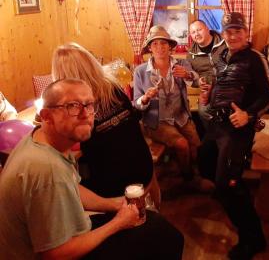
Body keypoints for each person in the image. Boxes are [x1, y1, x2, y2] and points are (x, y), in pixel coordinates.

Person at [0, 79, 184, 260]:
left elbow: (71, 186)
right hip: (54, 252)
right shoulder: (46, 169)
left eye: (89, 105)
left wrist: (114, 204)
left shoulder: (43, 139)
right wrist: (118, 223)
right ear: (47, 116)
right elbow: (56, 254)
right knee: (168, 240)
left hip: (69, 234)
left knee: (157, 228)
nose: (86, 114)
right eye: (72, 106)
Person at [200, 12, 269, 259]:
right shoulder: (222, 56)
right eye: (228, 32)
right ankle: (231, 188)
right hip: (216, 125)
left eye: (237, 31)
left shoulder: (256, 58)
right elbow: (223, 87)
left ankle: (253, 240)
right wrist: (208, 97)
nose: (233, 36)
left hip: (237, 129)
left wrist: (248, 114)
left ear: (246, 34)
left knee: (227, 187)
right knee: (204, 161)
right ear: (223, 34)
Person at [51, 43, 154, 200]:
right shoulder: (113, 86)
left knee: (67, 188)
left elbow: (68, 144)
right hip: (144, 165)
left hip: (116, 183)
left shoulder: (76, 104)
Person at [134, 25, 212, 192]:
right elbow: (136, 103)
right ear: (149, 48)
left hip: (181, 116)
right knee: (182, 144)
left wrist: (188, 75)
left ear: (170, 46)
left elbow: (198, 81)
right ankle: (189, 180)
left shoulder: (181, 64)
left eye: (164, 43)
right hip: (157, 121)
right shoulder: (141, 71)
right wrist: (146, 97)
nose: (160, 47)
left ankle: (185, 173)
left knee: (196, 147)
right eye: (155, 44)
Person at [187, 19, 227, 128]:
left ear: (207, 29)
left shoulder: (225, 43)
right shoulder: (191, 54)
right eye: (193, 32)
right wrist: (198, 81)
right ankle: (214, 138)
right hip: (209, 90)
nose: (196, 34)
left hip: (228, 86)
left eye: (199, 30)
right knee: (203, 110)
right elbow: (190, 77)